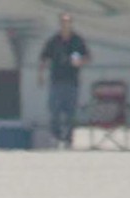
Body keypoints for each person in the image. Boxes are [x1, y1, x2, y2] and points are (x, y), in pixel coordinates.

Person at [38, 13, 91, 148]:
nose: (65, 25)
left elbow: (87, 56)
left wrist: (80, 61)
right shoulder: (54, 40)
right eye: (63, 22)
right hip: (56, 81)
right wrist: (41, 75)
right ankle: (55, 137)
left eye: (68, 22)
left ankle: (68, 139)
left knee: (70, 113)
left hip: (72, 81)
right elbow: (44, 57)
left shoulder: (77, 40)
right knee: (55, 111)